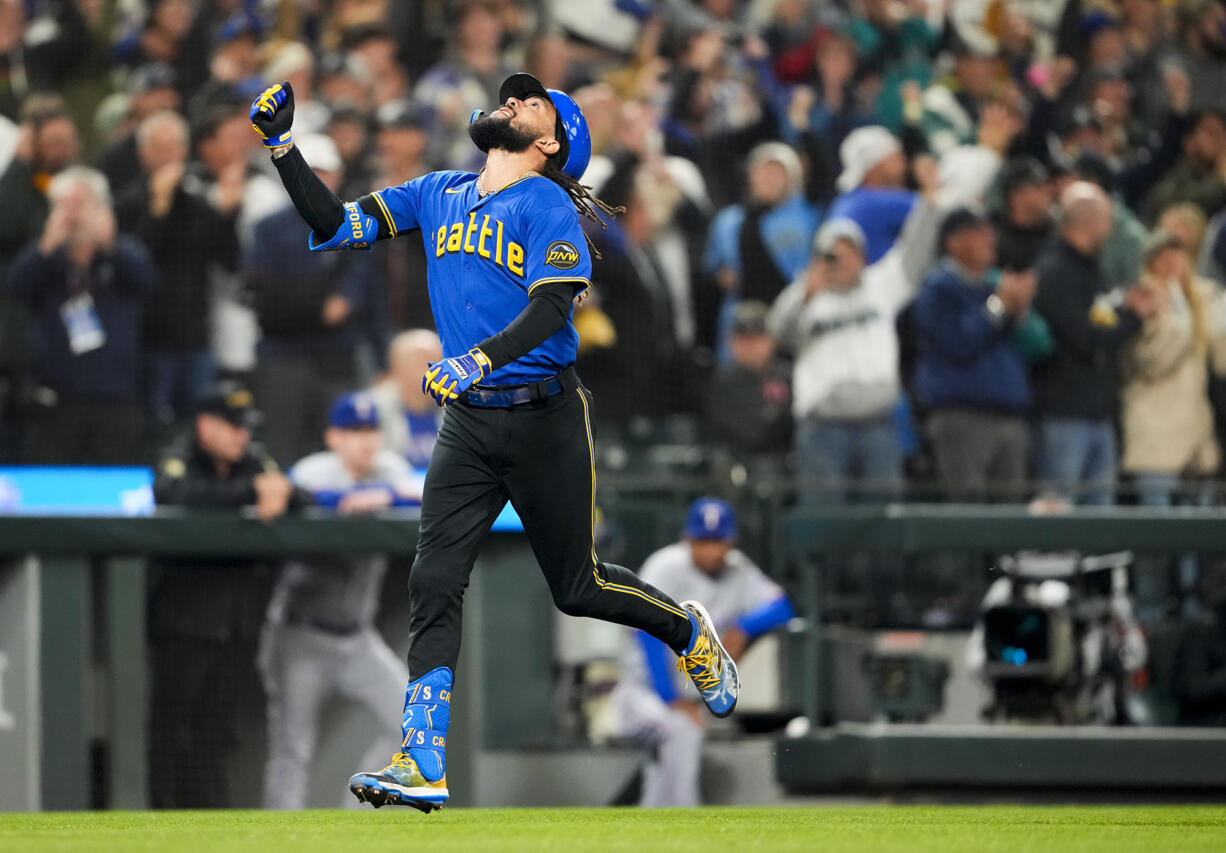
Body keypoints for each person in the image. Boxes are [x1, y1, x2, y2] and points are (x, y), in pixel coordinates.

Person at [250, 72, 740, 812]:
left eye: (529, 102)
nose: (510, 101)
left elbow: (552, 308)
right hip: (471, 419)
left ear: (549, 142)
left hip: (544, 413)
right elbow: (336, 225)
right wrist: (284, 149)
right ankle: (423, 756)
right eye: (514, 95)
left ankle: (685, 629)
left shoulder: (546, 204)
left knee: (578, 587)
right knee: (432, 579)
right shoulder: (440, 188)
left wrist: (478, 356)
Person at [149, 380, 309, 808]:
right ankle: (162, 825)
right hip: (183, 624)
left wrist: (285, 492)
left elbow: (295, 495)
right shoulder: (179, 457)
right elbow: (171, 493)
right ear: (206, 426)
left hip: (237, 625)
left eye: (246, 427)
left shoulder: (253, 460)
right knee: (171, 731)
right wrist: (249, 494)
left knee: (216, 734)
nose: (243, 435)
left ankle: (211, 825)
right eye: (233, 426)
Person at [259, 391, 420, 809]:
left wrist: (385, 496)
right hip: (302, 635)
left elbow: (432, 490)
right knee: (293, 751)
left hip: (357, 639)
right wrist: (343, 502)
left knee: (415, 725)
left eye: (371, 431)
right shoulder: (315, 472)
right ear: (334, 437)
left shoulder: (389, 469)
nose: (365, 441)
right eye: (353, 432)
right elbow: (297, 496)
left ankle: (355, 822)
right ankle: (281, 842)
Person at [609, 498, 793, 807]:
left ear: (730, 542)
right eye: (702, 541)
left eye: (717, 541)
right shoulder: (665, 566)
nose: (710, 549)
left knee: (663, 772)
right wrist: (672, 701)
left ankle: (653, 833)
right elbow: (648, 635)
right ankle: (687, 821)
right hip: (641, 694)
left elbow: (782, 607)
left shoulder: (739, 570)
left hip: (689, 702)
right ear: (687, 539)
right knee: (679, 730)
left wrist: (745, 627)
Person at [7, 166, 154, 464]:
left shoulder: (122, 255)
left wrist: (110, 244)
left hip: (116, 399)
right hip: (56, 401)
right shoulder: (45, 260)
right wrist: (46, 245)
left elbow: (148, 281)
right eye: (63, 206)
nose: (73, 216)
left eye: (81, 205)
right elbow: (14, 287)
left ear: (102, 209)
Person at [1031, 181, 1161, 505]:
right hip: (1065, 415)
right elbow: (1087, 338)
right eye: (1107, 222)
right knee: (1059, 518)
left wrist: (1126, 308)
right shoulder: (1055, 272)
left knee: (1099, 524)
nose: (1110, 231)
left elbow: (1101, 320)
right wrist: (1135, 318)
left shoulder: (1091, 272)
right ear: (1090, 222)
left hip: (1097, 413)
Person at [115, 110, 238, 432]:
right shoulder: (127, 203)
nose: (169, 156)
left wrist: (228, 214)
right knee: (151, 429)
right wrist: (158, 207)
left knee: (198, 428)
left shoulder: (198, 203)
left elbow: (230, 261)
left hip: (195, 340)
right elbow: (132, 266)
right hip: (148, 342)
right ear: (144, 153)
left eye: (176, 147)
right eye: (160, 147)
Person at [912, 208, 1044, 502]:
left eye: (989, 232)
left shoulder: (995, 284)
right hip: (962, 417)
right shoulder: (940, 287)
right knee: (968, 516)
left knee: (1009, 520)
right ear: (954, 242)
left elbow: (1040, 347)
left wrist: (1020, 311)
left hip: (1009, 414)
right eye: (978, 233)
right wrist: (999, 306)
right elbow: (958, 343)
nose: (989, 239)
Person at [1119, 232, 1220, 506]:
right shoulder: (1144, 300)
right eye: (1164, 257)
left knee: (1195, 535)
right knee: (1158, 528)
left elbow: (1220, 364)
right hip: (1155, 430)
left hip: (1195, 433)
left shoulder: (1203, 300)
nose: (1173, 264)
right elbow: (1151, 363)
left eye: (1178, 256)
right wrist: (1184, 327)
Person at [825, 125, 915, 263]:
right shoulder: (875, 203)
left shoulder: (844, 202)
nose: (904, 164)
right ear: (873, 167)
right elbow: (940, 208)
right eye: (895, 158)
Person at [370, 329, 444, 470]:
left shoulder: (458, 406)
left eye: (440, 359)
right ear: (397, 366)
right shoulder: (371, 409)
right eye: (425, 361)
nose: (437, 368)